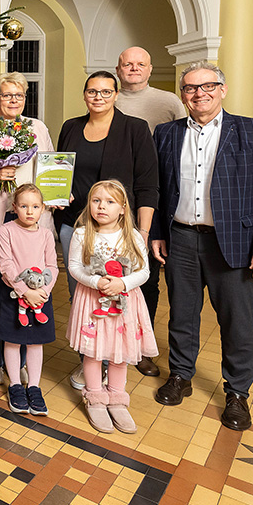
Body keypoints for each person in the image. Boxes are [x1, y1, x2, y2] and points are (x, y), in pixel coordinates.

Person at [152, 62, 253, 432]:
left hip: (234, 244)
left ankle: (237, 393)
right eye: (191, 88)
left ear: (222, 89)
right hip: (180, 239)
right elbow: (160, 189)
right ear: (183, 95)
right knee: (181, 314)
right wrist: (158, 232)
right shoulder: (166, 133)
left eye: (207, 86)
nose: (199, 94)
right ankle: (181, 375)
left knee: (237, 322)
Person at [56, 70, 158, 390]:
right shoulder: (71, 127)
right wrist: (61, 190)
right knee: (84, 298)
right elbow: (60, 171)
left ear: (116, 95)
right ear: (84, 94)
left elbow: (147, 184)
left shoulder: (134, 129)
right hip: (76, 225)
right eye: (92, 91)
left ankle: (111, 364)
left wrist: (141, 232)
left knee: (115, 300)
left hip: (118, 231)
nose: (98, 97)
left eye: (105, 91)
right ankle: (90, 365)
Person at [0, 72, 55, 387]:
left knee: (26, 290)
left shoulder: (37, 129)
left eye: (18, 96)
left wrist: (56, 196)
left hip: (31, 225)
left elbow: (49, 169)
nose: (13, 101)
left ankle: (17, 359)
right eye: (7, 95)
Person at [114, 46, 186, 378]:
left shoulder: (169, 102)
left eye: (140, 63)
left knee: (146, 280)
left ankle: (142, 348)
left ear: (150, 68)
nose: (133, 68)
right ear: (118, 69)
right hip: (113, 204)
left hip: (151, 201)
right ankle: (108, 345)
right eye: (127, 63)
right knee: (110, 274)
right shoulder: (107, 98)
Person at [67, 180, 159, 434]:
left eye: (109, 202)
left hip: (124, 303)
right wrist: (96, 281)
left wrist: (122, 283)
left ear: (122, 208)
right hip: (92, 301)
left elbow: (144, 272)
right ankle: (95, 398)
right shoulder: (81, 234)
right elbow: (74, 267)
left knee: (121, 353)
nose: (101, 207)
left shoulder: (133, 236)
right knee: (93, 351)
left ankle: (117, 399)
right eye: (96, 201)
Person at [0, 184, 57, 416]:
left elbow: (52, 266)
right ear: (14, 208)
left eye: (35, 206)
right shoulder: (7, 231)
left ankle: (33, 386)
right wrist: (24, 291)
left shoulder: (46, 235)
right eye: (24, 206)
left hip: (41, 297)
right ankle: (14, 385)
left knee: (35, 342)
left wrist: (44, 291)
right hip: (14, 294)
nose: (30, 211)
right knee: (12, 340)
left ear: (42, 209)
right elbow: (6, 265)